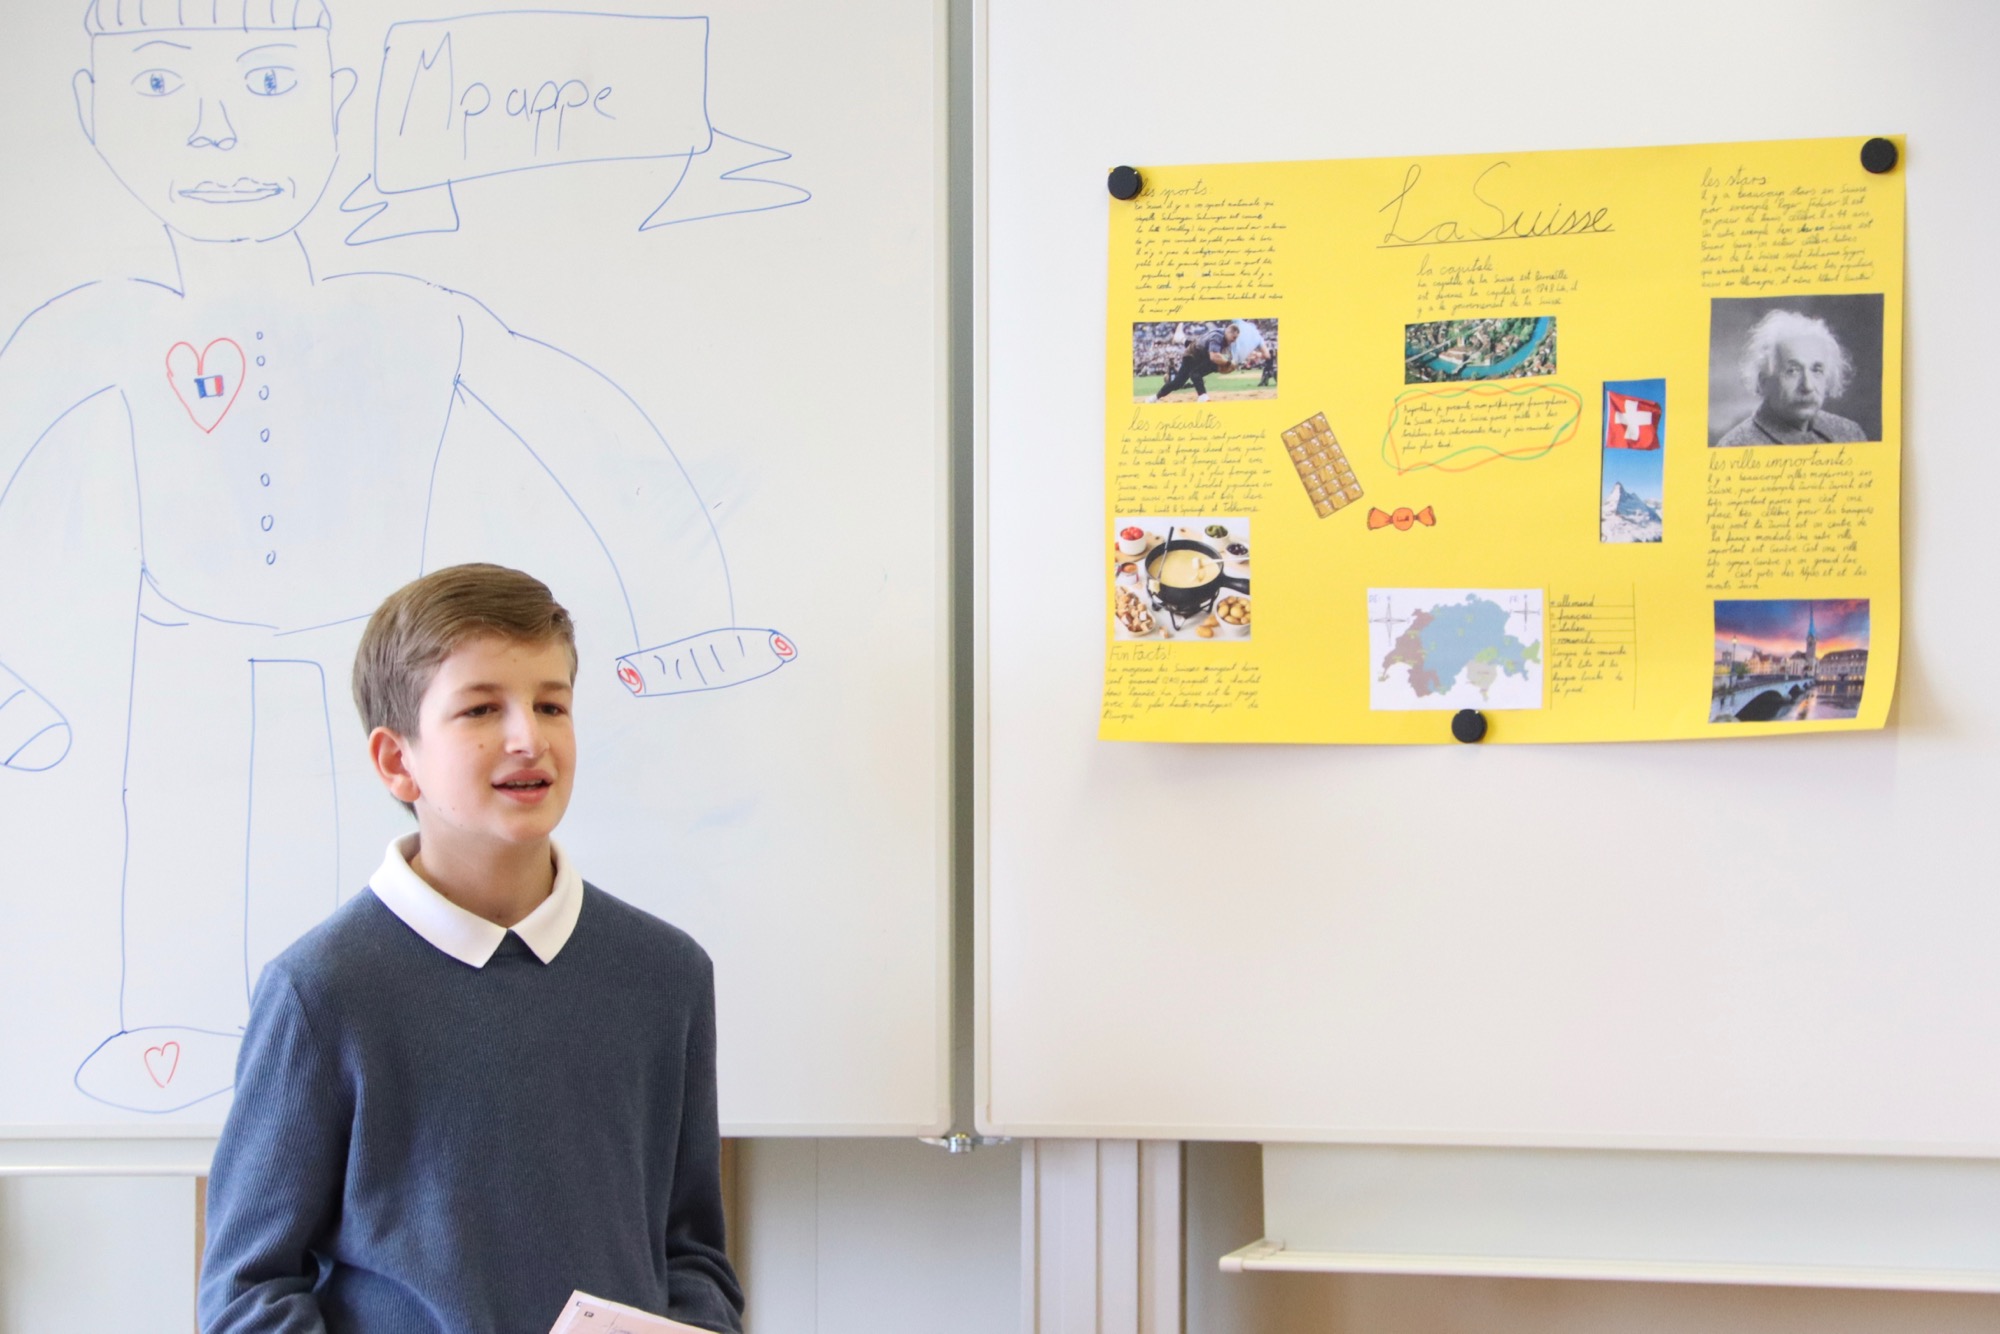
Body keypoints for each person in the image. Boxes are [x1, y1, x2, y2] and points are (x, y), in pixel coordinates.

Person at [0, 0, 786, 1110]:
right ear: (94, 109)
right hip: (182, 652)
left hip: (365, 653)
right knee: (179, 847)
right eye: (162, 87)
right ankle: (171, 1025)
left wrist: (691, 616)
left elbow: (584, 428)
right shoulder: (92, 328)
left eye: (269, 83)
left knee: (365, 894)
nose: (218, 131)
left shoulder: (408, 317)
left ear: (338, 102)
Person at [199, 563, 744, 1333]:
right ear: (397, 761)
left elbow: (691, 1258)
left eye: (551, 705)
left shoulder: (666, 974)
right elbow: (246, 1294)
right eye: (482, 709)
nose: (529, 738)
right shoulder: (321, 991)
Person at [1715, 309, 1869, 446]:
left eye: (1816, 370)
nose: (1807, 386)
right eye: (1792, 371)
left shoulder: (1850, 433)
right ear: (1763, 382)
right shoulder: (1735, 445)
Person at [1154, 324, 1233, 401]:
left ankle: (1181, 338)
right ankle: (1155, 397)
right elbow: (1213, 356)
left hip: (1198, 351)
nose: (1233, 340)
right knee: (1180, 381)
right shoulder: (1218, 337)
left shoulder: (1219, 336)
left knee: (1191, 375)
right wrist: (1227, 364)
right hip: (1192, 355)